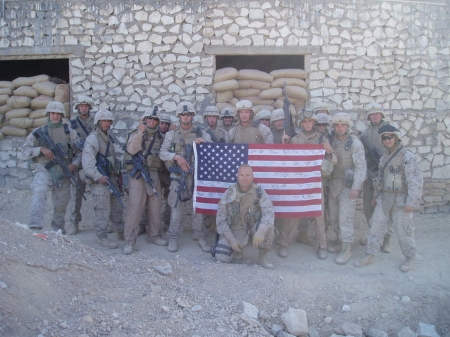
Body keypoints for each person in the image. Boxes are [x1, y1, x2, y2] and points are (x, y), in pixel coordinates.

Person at [354, 124, 422, 272]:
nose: (387, 140)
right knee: (375, 229)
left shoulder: (406, 156)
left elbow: (415, 181)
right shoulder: (384, 158)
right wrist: (375, 196)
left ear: (396, 137)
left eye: (390, 137)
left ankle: (410, 258)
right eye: (384, 138)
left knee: (404, 232)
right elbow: (380, 178)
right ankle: (369, 254)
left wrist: (411, 202)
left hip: (401, 201)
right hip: (384, 200)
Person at [276, 109, 336, 259]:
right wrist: (284, 144)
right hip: (297, 182)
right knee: (293, 214)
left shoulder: (322, 139)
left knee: (319, 215)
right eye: (305, 122)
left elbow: (334, 159)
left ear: (314, 123)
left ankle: (322, 246)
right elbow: (284, 159)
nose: (308, 124)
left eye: (310, 122)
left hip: (315, 182)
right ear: (301, 124)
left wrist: (328, 151)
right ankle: (284, 243)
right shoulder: (295, 139)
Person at [159, 101, 212, 253]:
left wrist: (205, 143)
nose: (186, 117)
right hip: (178, 177)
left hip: (197, 177)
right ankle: (173, 238)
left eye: (188, 114)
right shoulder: (171, 134)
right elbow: (162, 153)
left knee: (199, 210)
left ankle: (200, 237)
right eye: (183, 114)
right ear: (179, 116)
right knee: (176, 209)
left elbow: (214, 147)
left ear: (192, 116)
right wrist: (176, 156)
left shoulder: (201, 133)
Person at [22, 102, 81, 233]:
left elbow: (79, 152)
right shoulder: (39, 132)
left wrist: (73, 164)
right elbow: (25, 151)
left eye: (58, 114)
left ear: (61, 115)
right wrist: (41, 149)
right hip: (44, 168)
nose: (55, 116)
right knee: (39, 192)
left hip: (63, 170)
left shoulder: (69, 132)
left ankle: (58, 230)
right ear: (48, 114)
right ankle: (35, 226)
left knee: (61, 202)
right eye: (52, 113)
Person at [122, 108, 168, 255]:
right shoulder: (136, 134)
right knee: (135, 208)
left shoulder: (161, 137)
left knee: (155, 207)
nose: (151, 121)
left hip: (153, 174)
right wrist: (140, 132)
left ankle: (154, 236)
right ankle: (129, 241)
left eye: (155, 119)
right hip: (138, 175)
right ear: (144, 119)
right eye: (149, 119)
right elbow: (131, 149)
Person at [213, 164, 275, 269]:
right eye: (241, 175)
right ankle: (237, 251)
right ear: (237, 176)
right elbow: (220, 220)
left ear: (252, 176)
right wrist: (231, 240)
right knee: (221, 256)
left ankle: (262, 257)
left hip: (254, 229)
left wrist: (261, 231)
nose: (244, 178)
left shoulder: (259, 192)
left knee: (269, 229)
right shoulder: (229, 193)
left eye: (247, 175)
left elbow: (269, 214)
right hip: (236, 230)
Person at [327, 112, 367, 265]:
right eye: (337, 125)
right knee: (333, 216)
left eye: (342, 125)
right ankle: (340, 241)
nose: (340, 128)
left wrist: (356, 188)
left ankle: (346, 249)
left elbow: (361, 167)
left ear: (347, 126)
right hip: (334, 184)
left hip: (348, 185)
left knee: (345, 218)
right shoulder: (332, 141)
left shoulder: (355, 143)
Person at [82, 110, 124, 249]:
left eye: (108, 121)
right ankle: (102, 236)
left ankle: (120, 230)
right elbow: (87, 163)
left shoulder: (107, 138)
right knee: (102, 208)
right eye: (104, 121)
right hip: (99, 179)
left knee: (116, 205)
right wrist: (97, 176)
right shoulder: (93, 138)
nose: (107, 123)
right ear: (98, 122)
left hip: (110, 177)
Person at [359, 102, 393, 250]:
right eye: (372, 114)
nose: (375, 116)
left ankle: (386, 241)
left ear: (381, 115)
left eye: (377, 114)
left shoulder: (389, 131)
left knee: (386, 209)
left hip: (385, 176)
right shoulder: (364, 134)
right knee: (368, 208)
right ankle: (374, 236)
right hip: (369, 177)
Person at [67, 96, 96, 235]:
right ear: (78, 107)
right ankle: (74, 222)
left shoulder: (96, 122)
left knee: (99, 194)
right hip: (78, 165)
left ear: (89, 107)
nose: (83, 108)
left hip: (93, 163)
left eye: (86, 106)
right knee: (76, 196)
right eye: (81, 106)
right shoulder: (71, 124)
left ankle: (102, 222)